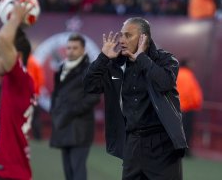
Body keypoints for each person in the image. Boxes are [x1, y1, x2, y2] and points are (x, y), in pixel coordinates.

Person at [83, 17, 187, 180]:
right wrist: (103, 58)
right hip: (132, 142)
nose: (122, 40)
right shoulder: (117, 65)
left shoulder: (165, 60)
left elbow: (165, 83)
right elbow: (89, 86)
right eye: (121, 35)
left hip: (162, 144)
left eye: (128, 35)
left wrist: (141, 58)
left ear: (143, 37)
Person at [0, 3, 34, 180]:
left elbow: (4, 39)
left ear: (16, 57)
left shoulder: (20, 81)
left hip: (8, 172)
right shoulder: (7, 83)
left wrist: (15, 17)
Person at [50, 33, 100, 180]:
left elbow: (93, 97)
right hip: (63, 126)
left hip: (80, 128)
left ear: (83, 50)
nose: (71, 51)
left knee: (77, 171)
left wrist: (69, 111)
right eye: (69, 48)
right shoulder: (62, 69)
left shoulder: (90, 70)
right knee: (69, 172)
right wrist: (56, 112)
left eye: (75, 48)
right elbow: (56, 94)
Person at [177, 59, 203, 157]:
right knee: (186, 131)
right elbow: (192, 93)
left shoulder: (177, 73)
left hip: (176, 107)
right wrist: (196, 105)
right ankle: (185, 151)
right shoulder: (188, 75)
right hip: (186, 108)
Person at [27, 55, 45, 140]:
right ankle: (37, 136)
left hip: (28, 94)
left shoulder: (28, 62)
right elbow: (40, 79)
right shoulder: (34, 61)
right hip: (33, 94)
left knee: (33, 115)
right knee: (35, 116)